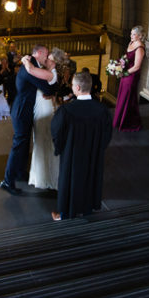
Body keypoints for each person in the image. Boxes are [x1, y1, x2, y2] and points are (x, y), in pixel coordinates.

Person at [51, 71, 113, 220]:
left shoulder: (65, 111)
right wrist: (97, 148)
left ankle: (65, 213)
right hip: (93, 154)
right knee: (90, 177)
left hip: (72, 154)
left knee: (69, 179)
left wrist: (60, 148)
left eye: (72, 85)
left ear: (77, 88)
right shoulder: (103, 110)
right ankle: (87, 209)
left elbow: (56, 131)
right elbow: (107, 134)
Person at [0, 44, 58, 195]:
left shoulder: (32, 64)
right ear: (38, 53)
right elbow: (48, 89)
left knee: (25, 144)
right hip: (21, 111)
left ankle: (19, 172)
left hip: (25, 110)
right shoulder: (29, 68)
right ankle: (7, 181)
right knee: (19, 145)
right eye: (45, 53)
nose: (47, 56)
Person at [20, 48, 67, 190]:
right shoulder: (50, 72)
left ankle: (46, 177)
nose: (46, 59)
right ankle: (43, 175)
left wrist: (24, 59)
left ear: (54, 63)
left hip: (44, 109)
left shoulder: (49, 73)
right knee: (41, 141)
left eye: (49, 58)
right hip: (42, 106)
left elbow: (31, 69)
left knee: (42, 141)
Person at [112, 25, 146, 132]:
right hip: (126, 73)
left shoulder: (140, 48)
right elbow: (126, 57)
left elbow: (137, 66)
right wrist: (118, 65)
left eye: (134, 34)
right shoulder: (131, 43)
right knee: (123, 95)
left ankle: (129, 122)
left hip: (132, 76)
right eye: (131, 33)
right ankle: (119, 120)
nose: (131, 36)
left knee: (128, 98)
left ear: (140, 36)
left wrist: (124, 73)